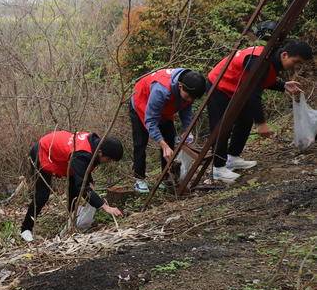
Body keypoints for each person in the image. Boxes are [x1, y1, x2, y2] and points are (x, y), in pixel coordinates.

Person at [207, 40, 312, 182]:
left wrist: (283, 85)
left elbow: (261, 80)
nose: (296, 66)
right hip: (219, 85)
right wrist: (261, 123)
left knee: (246, 119)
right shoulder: (260, 61)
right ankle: (218, 168)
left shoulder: (272, 58)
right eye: (296, 61)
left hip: (238, 89)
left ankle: (232, 157)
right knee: (221, 127)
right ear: (285, 55)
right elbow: (253, 93)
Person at [20, 131, 124, 242]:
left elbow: (83, 170)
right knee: (42, 195)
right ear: (100, 152)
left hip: (65, 155)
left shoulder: (94, 144)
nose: (108, 162)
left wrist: (89, 181)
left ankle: (72, 222)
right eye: (109, 159)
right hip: (43, 152)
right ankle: (25, 228)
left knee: (74, 187)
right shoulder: (82, 154)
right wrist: (105, 207)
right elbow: (82, 186)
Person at [129, 68, 207, 193]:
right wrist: (162, 144)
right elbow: (151, 121)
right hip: (142, 102)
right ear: (180, 86)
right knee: (140, 142)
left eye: (193, 98)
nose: (190, 100)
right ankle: (139, 179)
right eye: (188, 97)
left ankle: (166, 178)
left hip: (165, 107)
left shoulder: (190, 85)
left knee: (169, 138)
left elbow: (186, 111)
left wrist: (187, 130)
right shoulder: (161, 89)